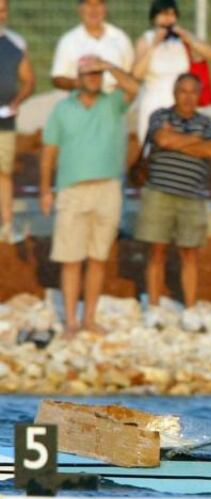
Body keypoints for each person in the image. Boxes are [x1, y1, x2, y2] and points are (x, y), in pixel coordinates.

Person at [39, 56, 138, 337]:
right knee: (71, 259)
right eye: (89, 74)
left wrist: (109, 66)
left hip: (107, 189)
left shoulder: (112, 103)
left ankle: (89, 319)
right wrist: (46, 189)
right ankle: (71, 321)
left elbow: (134, 88)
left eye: (97, 74)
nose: (94, 78)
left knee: (97, 257)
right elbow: (49, 150)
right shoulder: (62, 109)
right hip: (72, 190)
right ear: (78, 77)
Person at [135, 73, 211, 331]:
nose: (187, 97)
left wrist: (177, 142)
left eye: (193, 92)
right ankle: (154, 307)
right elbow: (162, 139)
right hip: (159, 193)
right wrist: (195, 142)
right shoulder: (160, 116)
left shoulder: (208, 122)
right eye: (183, 91)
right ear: (174, 92)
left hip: (192, 196)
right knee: (157, 251)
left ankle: (190, 309)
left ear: (199, 95)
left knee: (190, 253)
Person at [132, 0, 211, 143]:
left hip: (182, 102)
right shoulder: (146, 40)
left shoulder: (183, 39)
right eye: (163, 14)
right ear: (154, 17)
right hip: (154, 101)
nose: (168, 18)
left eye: (171, 14)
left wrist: (189, 39)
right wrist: (153, 46)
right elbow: (137, 74)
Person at [0, 0, 34, 244]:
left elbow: (28, 80)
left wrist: (17, 101)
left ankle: (7, 226)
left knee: (3, 173)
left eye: (2, 8)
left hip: (4, 121)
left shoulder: (15, 43)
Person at [51, 0, 133, 93]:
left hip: (115, 101)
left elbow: (130, 74)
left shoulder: (120, 37)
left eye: (98, 4)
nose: (94, 10)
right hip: (82, 103)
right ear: (80, 9)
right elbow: (58, 79)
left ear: (105, 8)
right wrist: (84, 84)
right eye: (89, 4)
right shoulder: (68, 40)